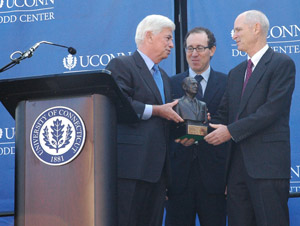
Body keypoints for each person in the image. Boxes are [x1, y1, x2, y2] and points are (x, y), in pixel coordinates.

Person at [204, 10, 295, 226]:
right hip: (236, 169)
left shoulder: (281, 63)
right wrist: (195, 128)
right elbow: (223, 115)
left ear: (256, 29)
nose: (233, 35)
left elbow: (271, 111)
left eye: (237, 30)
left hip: (267, 167)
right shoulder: (236, 72)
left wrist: (230, 131)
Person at [105, 15, 184, 226]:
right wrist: (157, 110)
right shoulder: (122, 65)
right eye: (167, 38)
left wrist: (191, 123)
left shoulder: (165, 77)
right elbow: (117, 104)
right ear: (149, 36)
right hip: (131, 169)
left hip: (158, 173)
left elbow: (166, 118)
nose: (171, 45)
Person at [165, 27, 228, 226]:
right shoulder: (170, 83)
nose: (194, 54)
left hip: (216, 178)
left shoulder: (228, 82)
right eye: (189, 48)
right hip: (178, 178)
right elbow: (163, 130)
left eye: (200, 48)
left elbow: (232, 126)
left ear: (213, 50)